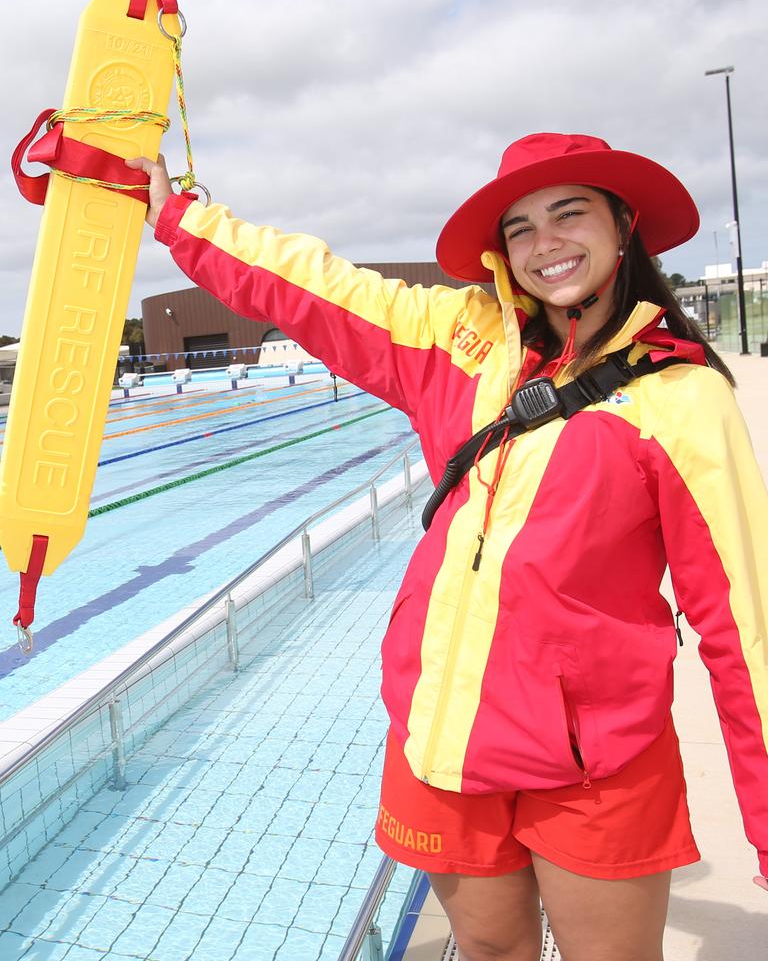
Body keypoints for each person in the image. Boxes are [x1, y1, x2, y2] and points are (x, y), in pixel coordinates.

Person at [127, 132, 768, 961]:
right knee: (490, 952)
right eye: (521, 228)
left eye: (569, 214)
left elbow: (742, 626)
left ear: (622, 224)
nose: (546, 245)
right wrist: (179, 215)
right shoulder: (461, 342)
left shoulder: (682, 396)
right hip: (444, 735)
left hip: (597, 762)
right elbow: (315, 286)